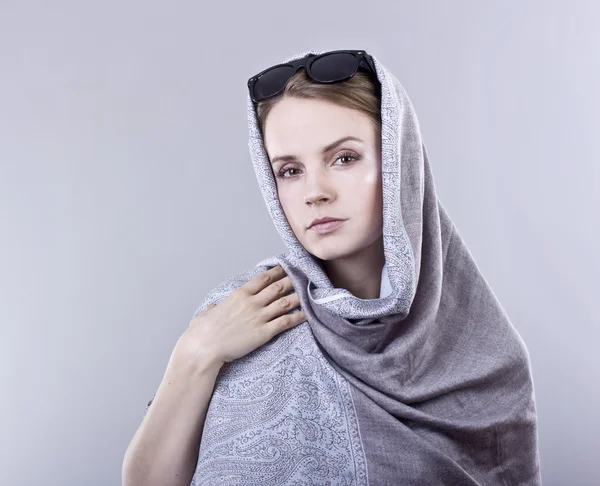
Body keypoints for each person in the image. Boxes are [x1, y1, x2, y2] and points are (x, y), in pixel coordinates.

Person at [123, 49, 541, 486]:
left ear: (399, 162)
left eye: (343, 158)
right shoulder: (243, 312)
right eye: (289, 170)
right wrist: (196, 353)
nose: (314, 192)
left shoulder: (488, 358)